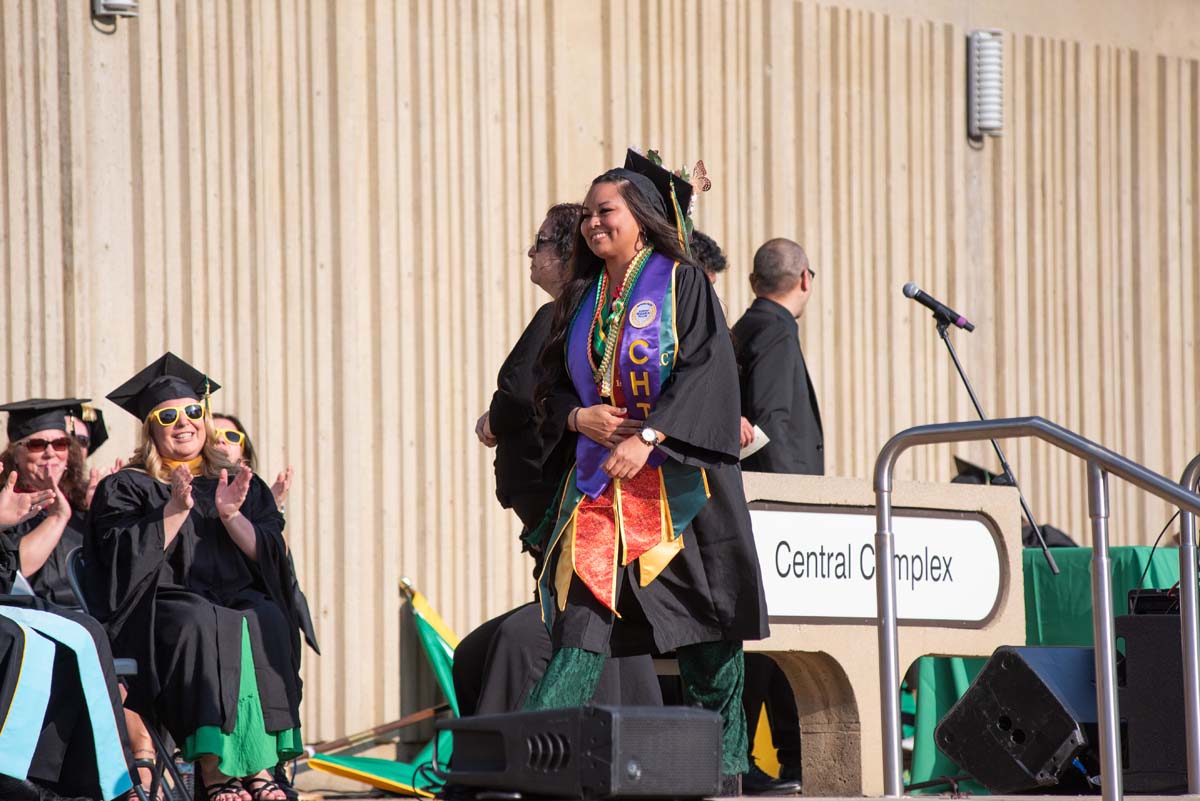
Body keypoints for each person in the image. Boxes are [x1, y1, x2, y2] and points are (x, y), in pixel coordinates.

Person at [524, 151, 769, 793]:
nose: (592, 224)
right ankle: (532, 764)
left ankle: (723, 777)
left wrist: (653, 435)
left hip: (680, 491)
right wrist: (580, 420)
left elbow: (708, 371)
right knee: (581, 621)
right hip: (601, 487)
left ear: (640, 220)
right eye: (588, 215)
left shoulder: (681, 285)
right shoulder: (580, 300)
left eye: (605, 212)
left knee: (706, 638)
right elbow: (545, 390)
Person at [457, 204, 661, 717]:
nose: (531, 252)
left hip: (573, 501)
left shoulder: (565, 316)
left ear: (568, 252)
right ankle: (626, 734)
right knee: (582, 620)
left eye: (541, 242)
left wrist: (496, 420)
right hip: (567, 500)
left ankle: (606, 742)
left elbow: (522, 391)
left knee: (576, 619)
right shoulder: (582, 317)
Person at [85, 353, 303, 801]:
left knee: (264, 616)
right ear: (151, 428)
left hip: (236, 600)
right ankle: (215, 770)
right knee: (202, 620)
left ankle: (262, 769)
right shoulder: (127, 486)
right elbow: (119, 564)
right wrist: (173, 511)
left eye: (192, 411)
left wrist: (229, 513)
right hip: (163, 607)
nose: (183, 422)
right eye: (168, 415)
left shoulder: (238, 481)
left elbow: (271, 556)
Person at [732, 238, 823, 475]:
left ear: (753, 282)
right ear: (805, 279)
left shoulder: (745, 327)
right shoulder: (775, 331)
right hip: (778, 489)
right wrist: (789, 494)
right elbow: (770, 421)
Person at [0, 399, 92, 607]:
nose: (50, 453)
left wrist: (102, 514)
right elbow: (17, 571)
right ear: (15, 456)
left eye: (60, 444)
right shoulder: (4, 506)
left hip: (90, 613)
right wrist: (58, 517)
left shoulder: (84, 503)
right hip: (33, 616)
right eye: (37, 445)